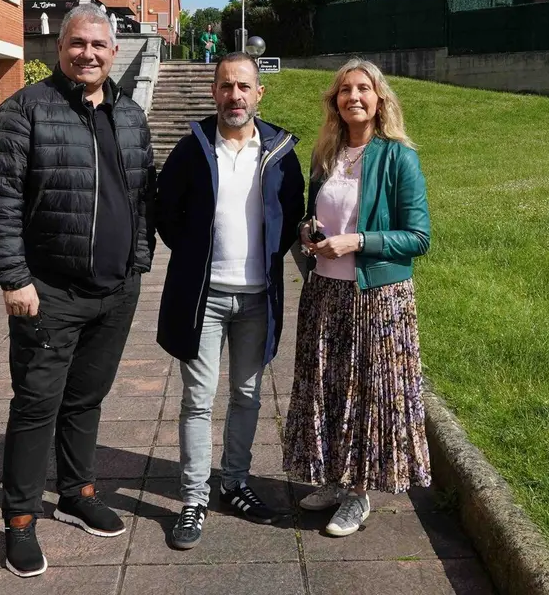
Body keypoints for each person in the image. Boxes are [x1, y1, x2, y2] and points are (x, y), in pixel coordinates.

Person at [0, 3, 156, 577]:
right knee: (36, 406)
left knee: (86, 399)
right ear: (60, 47)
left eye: (100, 46)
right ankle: (20, 521)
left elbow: (142, 197)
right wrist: (14, 277)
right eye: (79, 44)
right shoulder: (24, 111)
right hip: (48, 291)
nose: (89, 54)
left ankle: (77, 494)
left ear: (114, 52)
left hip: (115, 290)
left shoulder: (129, 115)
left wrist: (139, 261)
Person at [155, 51, 305, 549]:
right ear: (214, 92)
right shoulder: (194, 147)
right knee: (198, 400)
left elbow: (291, 213)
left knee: (247, 395)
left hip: (258, 299)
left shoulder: (280, 149)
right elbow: (166, 210)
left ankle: (235, 482)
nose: (234, 95)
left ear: (259, 93)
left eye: (243, 86)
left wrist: (263, 258)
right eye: (225, 86)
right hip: (205, 297)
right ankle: (194, 496)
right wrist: (199, 253)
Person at [281, 58, 432, 537]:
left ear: (379, 98)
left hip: (378, 297)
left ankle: (359, 493)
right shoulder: (326, 156)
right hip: (325, 290)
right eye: (345, 90)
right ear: (335, 102)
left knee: (364, 393)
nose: (354, 97)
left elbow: (418, 236)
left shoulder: (398, 157)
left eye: (363, 89)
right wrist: (310, 231)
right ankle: (333, 476)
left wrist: (358, 241)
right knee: (327, 386)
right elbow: (314, 215)